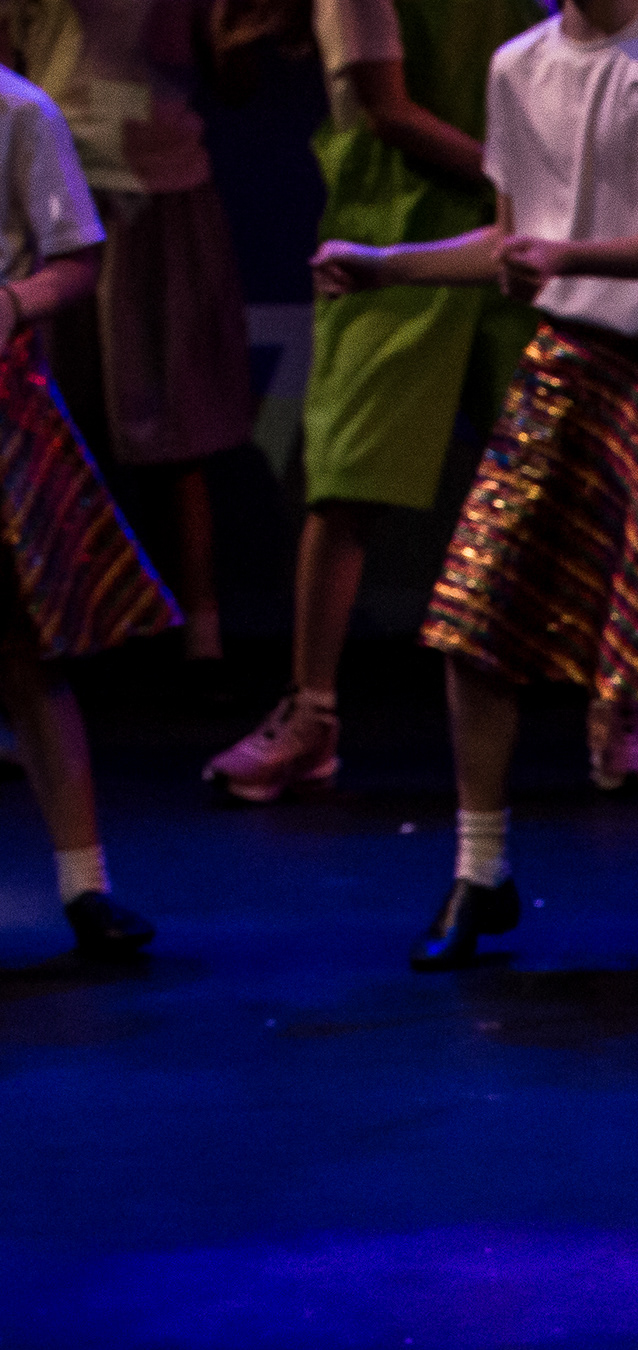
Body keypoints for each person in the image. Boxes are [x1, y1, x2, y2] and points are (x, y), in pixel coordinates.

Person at [317, 0, 638, 973]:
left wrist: (568, 256)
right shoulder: (518, 66)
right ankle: (481, 873)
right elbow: (514, 244)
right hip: (564, 368)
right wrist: (387, 267)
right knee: (474, 620)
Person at [204, 0, 550, 808]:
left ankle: (620, 702)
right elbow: (388, 112)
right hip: (392, 231)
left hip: (519, 238)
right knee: (347, 481)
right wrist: (526, 184)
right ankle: (312, 714)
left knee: (558, 471)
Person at [8, 0, 252, 684]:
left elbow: (234, 75)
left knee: (175, 427)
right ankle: (57, 631)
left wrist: (236, 34)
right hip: (55, 189)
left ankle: (202, 637)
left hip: (160, 187)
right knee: (51, 433)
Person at [0, 45, 174, 957]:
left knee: (23, 652)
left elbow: (74, 256)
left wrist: (11, 304)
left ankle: (84, 884)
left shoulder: (19, 111)